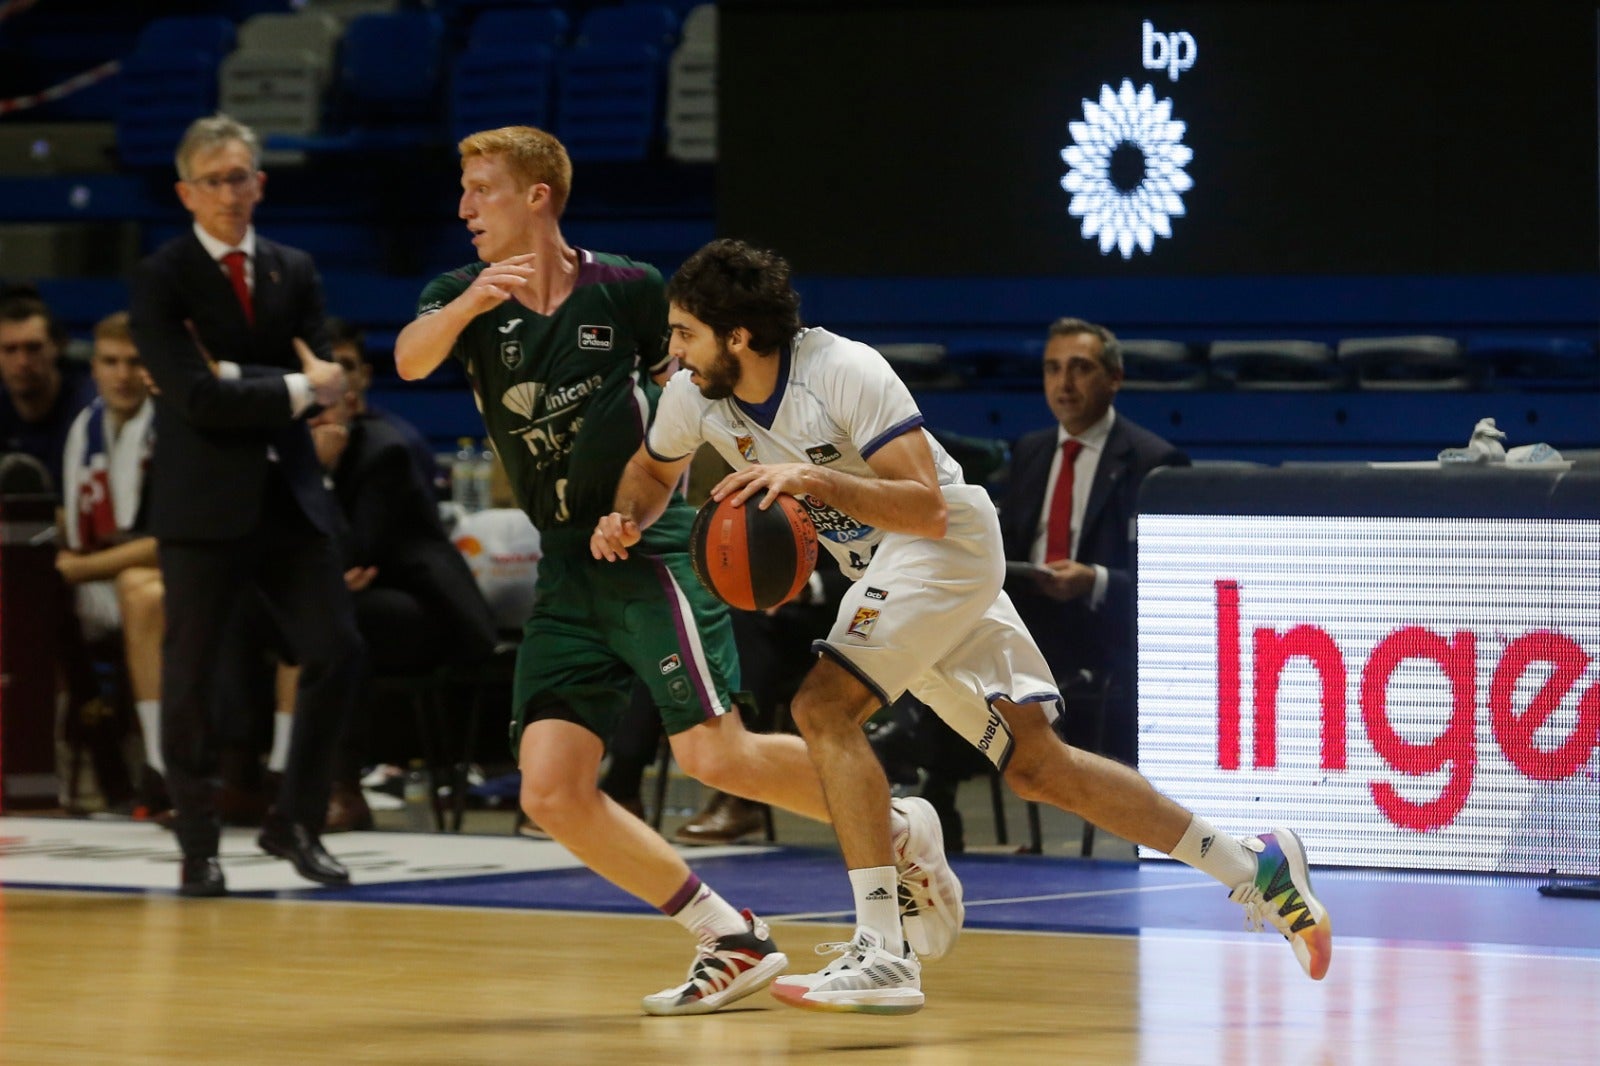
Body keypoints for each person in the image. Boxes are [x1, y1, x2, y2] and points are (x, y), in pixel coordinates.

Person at [593, 238, 1334, 1015]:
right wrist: (627, 517)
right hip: (885, 575)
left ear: (736, 336)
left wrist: (814, 479)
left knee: (821, 707)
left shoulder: (843, 370)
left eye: (683, 332)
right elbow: (652, 468)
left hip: (940, 549)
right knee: (1039, 767)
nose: (672, 349)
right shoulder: (694, 398)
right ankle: (1254, 865)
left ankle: (883, 949)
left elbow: (927, 505)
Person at [394, 125, 959, 1016]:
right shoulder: (458, 296)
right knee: (549, 787)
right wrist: (468, 309)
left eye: (481, 189)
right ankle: (729, 936)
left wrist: (696, 508)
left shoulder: (627, 289)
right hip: (564, 562)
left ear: (537, 194)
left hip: (648, 547)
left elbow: (688, 407)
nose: (464, 208)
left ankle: (890, 829)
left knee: (713, 756)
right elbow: (408, 357)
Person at [129, 113, 363, 897]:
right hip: (201, 504)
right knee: (191, 673)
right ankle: (198, 842)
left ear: (260, 183)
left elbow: (333, 380)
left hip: (289, 495)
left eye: (241, 177)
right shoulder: (161, 276)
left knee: (336, 648)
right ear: (185, 191)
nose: (231, 193)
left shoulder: (292, 268)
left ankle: (291, 821)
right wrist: (295, 387)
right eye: (214, 180)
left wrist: (242, 378)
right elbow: (196, 398)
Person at [307, 373, 499, 829]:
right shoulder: (286, 453)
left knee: (340, 620)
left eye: (325, 408)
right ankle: (253, 775)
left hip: (429, 613)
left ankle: (344, 787)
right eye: (306, 410)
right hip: (359, 602)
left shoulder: (383, 451)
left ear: (351, 405)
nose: (315, 420)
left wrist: (319, 476)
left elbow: (354, 555)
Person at [997, 317, 1190, 767]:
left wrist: (1095, 581)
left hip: (1104, 632)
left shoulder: (1154, 461)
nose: (1063, 383)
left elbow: (1167, 585)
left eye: (1080, 367)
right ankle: (938, 807)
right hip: (1029, 623)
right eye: (1052, 368)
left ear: (1114, 378)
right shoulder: (1029, 451)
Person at [55, 311, 166, 814]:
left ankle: (156, 769)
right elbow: (79, 522)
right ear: (93, 366)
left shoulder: (171, 424)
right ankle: (47, 777)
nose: (122, 374)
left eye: (134, 362)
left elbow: (173, 540)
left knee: (132, 589)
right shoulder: (86, 424)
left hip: (165, 579)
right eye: (110, 362)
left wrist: (76, 570)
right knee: (25, 607)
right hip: (98, 574)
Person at [0, 291, 97, 497]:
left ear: (58, 347)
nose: (23, 362)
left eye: (33, 348)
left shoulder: (88, 409)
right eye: (10, 349)